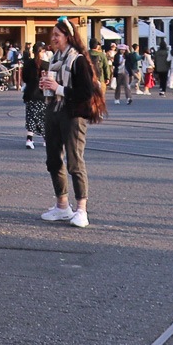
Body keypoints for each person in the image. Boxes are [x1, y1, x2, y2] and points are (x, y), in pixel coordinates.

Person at [41, 18, 102, 228]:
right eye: (53, 34)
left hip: (73, 115)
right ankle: (62, 205)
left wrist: (58, 88)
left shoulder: (78, 61)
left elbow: (86, 92)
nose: (53, 38)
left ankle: (81, 209)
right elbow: (55, 87)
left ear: (68, 36)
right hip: (54, 111)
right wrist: (46, 86)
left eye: (57, 35)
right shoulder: (54, 59)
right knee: (53, 160)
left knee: (75, 162)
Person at [22, 42, 47, 149]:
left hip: (30, 94)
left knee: (31, 117)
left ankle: (29, 139)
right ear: (42, 52)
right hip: (42, 94)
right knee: (43, 117)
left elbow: (24, 79)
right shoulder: (46, 65)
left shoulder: (27, 64)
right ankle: (46, 139)